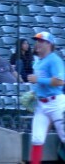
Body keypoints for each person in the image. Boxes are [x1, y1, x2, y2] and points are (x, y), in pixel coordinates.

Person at [27, 32, 65, 164]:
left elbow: (60, 81)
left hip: (57, 103)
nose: (37, 43)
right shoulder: (38, 62)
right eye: (37, 41)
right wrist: (34, 92)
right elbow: (40, 83)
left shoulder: (54, 59)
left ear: (49, 44)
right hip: (41, 105)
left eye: (41, 41)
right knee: (37, 138)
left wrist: (39, 80)